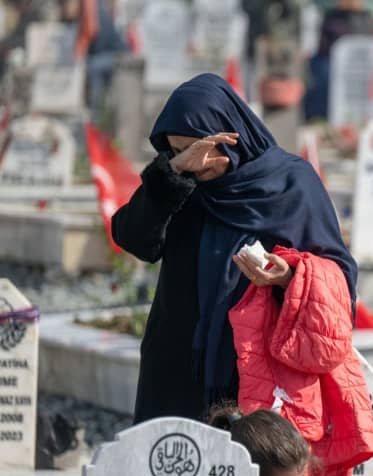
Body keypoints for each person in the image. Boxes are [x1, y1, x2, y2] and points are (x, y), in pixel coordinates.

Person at [111, 73, 357, 424]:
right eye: (178, 151)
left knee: (254, 471)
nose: (196, 161)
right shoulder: (183, 185)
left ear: (229, 135)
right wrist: (171, 174)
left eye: (199, 149)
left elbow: (338, 275)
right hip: (179, 368)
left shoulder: (291, 184)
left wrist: (287, 276)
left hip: (260, 366)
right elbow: (133, 238)